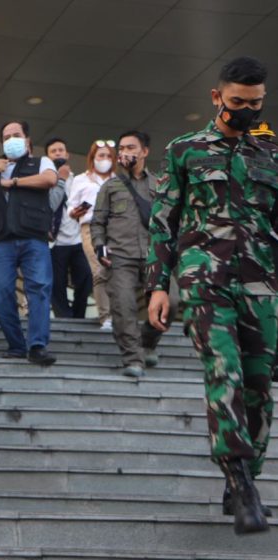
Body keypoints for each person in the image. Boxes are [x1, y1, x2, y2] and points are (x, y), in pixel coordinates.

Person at [146, 56, 278, 535]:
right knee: (224, 370)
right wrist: (158, 286)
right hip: (206, 284)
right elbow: (163, 221)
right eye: (238, 102)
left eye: (256, 103)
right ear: (216, 97)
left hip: (263, 285)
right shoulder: (185, 150)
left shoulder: (271, 152)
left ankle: (242, 474)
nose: (246, 110)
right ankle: (242, 483)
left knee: (259, 388)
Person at [0, 120, 58, 365]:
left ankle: (37, 346)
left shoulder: (40, 162)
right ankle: (16, 344)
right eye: (6, 137)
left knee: (38, 288)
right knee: (1, 294)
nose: (11, 140)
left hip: (33, 237)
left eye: (16, 135)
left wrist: (14, 183)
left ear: (27, 140)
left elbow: (49, 179)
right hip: (2, 241)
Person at [91, 131, 168, 378]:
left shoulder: (160, 185)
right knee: (124, 306)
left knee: (172, 302)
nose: (126, 152)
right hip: (120, 257)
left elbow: (170, 221)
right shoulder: (110, 186)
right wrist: (99, 245)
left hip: (154, 256)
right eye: (122, 148)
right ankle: (133, 359)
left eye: (132, 147)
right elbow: (97, 222)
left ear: (144, 152)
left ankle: (147, 342)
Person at [69, 140, 117, 329]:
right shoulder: (81, 179)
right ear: (93, 158)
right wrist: (74, 212)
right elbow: (70, 206)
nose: (104, 159)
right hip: (89, 227)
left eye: (108, 156)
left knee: (116, 271)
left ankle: (117, 314)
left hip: (114, 229)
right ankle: (106, 317)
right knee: (99, 269)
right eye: (101, 155)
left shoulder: (118, 181)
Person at [46, 137, 91, 319]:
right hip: (55, 241)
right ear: (48, 157)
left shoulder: (79, 180)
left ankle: (78, 316)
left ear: (67, 154)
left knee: (86, 278)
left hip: (78, 238)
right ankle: (64, 317)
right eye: (53, 151)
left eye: (60, 150)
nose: (58, 153)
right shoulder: (46, 180)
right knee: (57, 283)